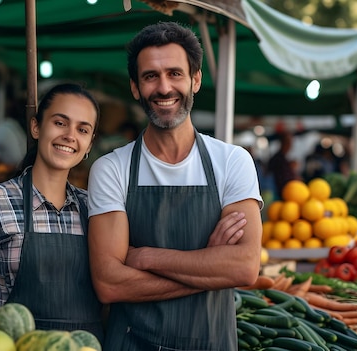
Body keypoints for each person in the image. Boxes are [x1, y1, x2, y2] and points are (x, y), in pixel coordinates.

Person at [87, 22, 264, 350]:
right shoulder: (111, 169)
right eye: (150, 76)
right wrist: (209, 264)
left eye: (175, 73)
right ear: (135, 88)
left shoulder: (232, 162)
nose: (164, 87)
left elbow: (244, 267)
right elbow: (110, 284)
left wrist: (147, 257)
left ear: (195, 80)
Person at [0, 83, 104, 339]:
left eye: (82, 129)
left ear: (89, 144)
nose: (70, 135)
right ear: (36, 127)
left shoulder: (95, 209)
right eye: (60, 123)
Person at [267, 131, 298, 198]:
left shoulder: (282, 158)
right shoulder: (278, 159)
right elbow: (284, 178)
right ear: (283, 143)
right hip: (281, 194)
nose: (291, 145)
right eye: (289, 143)